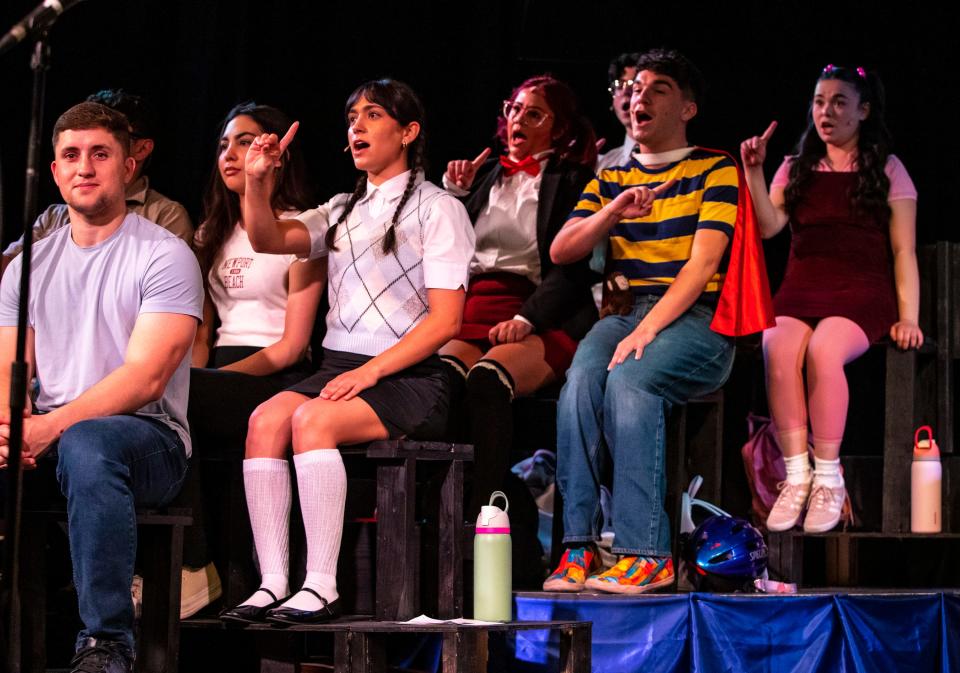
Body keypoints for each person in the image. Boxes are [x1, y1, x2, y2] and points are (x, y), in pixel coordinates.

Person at [217, 79, 475, 624]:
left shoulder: (439, 209)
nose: (356, 125)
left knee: (312, 421)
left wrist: (372, 372)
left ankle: (322, 584)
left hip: (412, 376)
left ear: (408, 132)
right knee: (264, 419)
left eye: (373, 115)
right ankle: (273, 583)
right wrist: (258, 185)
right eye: (352, 116)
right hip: (342, 366)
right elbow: (267, 239)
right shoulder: (340, 208)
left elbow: (447, 320)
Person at [0, 102, 202, 672]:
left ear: (128, 165)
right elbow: (9, 368)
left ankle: (107, 643)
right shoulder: (28, 265)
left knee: (90, 445)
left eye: (100, 154)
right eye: (71, 155)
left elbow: (146, 378)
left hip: (148, 440)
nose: (84, 166)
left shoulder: (164, 254)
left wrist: (47, 428)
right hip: (51, 436)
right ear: (55, 170)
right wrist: (10, 428)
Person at [544, 49, 739, 594]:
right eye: (633, 89)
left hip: (697, 317)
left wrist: (649, 331)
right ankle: (578, 548)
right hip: (628, 311)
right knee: (580, 383)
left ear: (688, 107)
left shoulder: (713, 168)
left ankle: (645, 552)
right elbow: (563, 250)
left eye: (657, 89)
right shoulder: (613, 176)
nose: (638, 98)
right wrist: (612, 210)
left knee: (632, 378)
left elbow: (702, 267)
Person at [741, 65, 922, 533]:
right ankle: (796, 476)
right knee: (775, 346)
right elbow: (768, 227)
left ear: (862, 111)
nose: (826, 111)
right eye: (819, 102)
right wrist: (755, 172)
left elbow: (903, 250)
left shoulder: (887, 168)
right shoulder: (796, 166)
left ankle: (828, 476)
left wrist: (909, 317)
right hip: (802, 287)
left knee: (824, 350)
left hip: (862, 290)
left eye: (839, 102)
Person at [440, 75, 597, 582]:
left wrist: (527, 318)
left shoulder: (571, 181)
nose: (517, 122)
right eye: (513, 109)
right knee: (437, 382)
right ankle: (502, 510)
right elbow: (448, 248)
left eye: (534, 114)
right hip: (472, 308)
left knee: (487, 382)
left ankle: (485, 522)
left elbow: (572, 270)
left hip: (539, 310)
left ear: (560, 128)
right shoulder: (484, 177)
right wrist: (454, 194)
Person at [181, 102, 325, 618]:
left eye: (244, 141)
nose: (230, 153)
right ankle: (187, 562)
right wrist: (193, 372)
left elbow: (291, 347)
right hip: (215, 370)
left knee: (180, 395)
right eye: (224, 144)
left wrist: (209, 379)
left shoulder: (301, 230)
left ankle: (196, 569)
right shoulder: (210, 233)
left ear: (275, 152)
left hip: (274, 375)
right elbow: (203, 331)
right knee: (158, 397)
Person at [1, 89, 193, 276]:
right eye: (72, 153)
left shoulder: (166, 215)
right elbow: (10, 272)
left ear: (142, 149)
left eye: (101, 150)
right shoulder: (53, 217)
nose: (84, 168)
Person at [596, 53, 640, 172]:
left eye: (635, 85)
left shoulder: (689, 160)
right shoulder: (601, 165)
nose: (625, 91)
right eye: (619, 85)